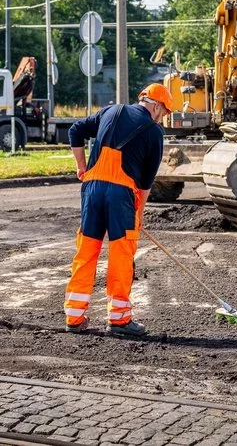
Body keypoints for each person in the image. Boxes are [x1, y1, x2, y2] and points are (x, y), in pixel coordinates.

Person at [64, 83, 171, 337]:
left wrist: (81, 167)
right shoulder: (154, 133)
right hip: (120, 195)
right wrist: (139, 213)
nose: (163, 119)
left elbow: (75, 130)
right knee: (121, 253)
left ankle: (74, 316)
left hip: (91, 190)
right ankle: (119, 320)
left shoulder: (110, 111)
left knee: (87, 251)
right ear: (156, 106)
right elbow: (145, 184)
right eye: (164, 113)